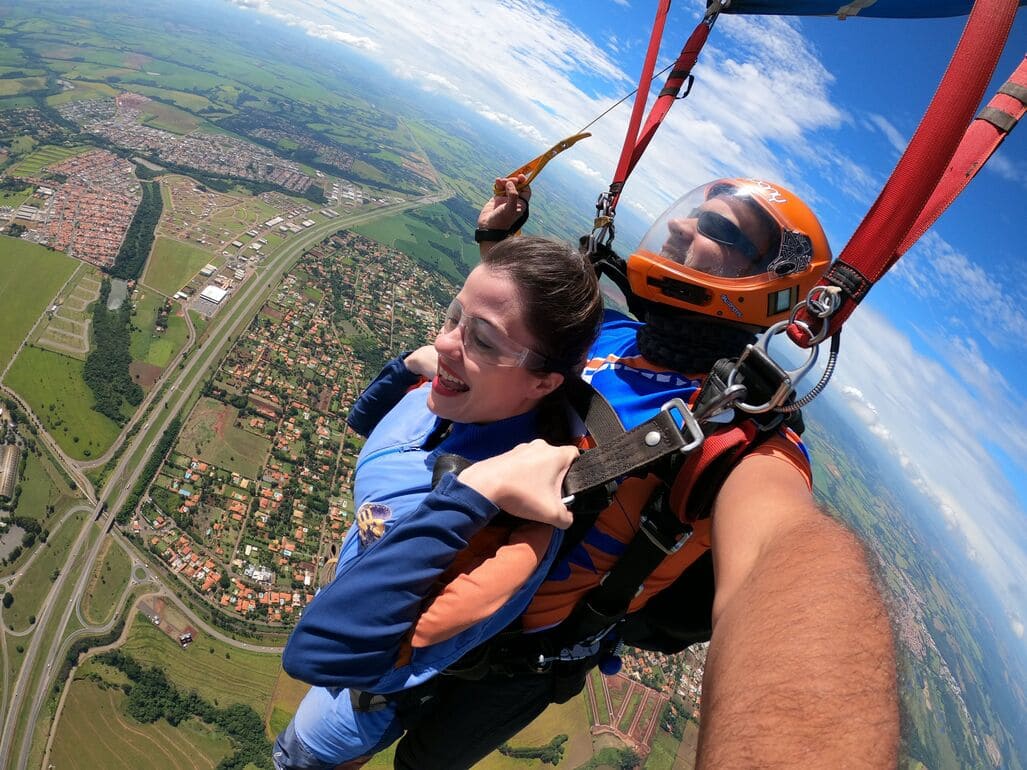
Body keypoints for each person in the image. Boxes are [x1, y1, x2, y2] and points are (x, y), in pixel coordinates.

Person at [381, 176, 900, 768]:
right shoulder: (614, 333)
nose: (680, 225)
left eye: (720, 229)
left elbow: (783, 552)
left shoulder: (741, 438)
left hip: (512, 663)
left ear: (768, 287)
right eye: (693, 213)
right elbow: (511, 323)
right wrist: (498, 236)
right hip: (426, 579)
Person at [272, 235, 604, 770]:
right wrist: (410, 366)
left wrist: (479, 492)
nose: (446, 342)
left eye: (483, 341)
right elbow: (365, 424)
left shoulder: (513, 521)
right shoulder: (453, 399)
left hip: (364, 693)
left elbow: (320, 655)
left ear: (543, 381)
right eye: (453, 317)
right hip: (356, 603)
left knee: (299, 759)